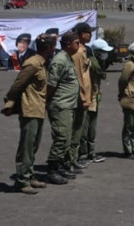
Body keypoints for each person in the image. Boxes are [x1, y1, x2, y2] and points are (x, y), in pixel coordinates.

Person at [4, 33, 56, 194]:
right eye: (53, 46)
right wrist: (10, 103)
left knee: (33, 146)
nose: (55, 49)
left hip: (39, 109)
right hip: (30, 109)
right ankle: (22, 180)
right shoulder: (33, 64)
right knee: (26, 147)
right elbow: (17, 85)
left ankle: (30, 175)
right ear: (47, 48)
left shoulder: (42, 63)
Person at [45, 31, 81, 183]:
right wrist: (46, 103)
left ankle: (60, 166)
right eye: (76, 43)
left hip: (68, 104)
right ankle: (52, 169)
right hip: (60, 105)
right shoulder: (60, 61)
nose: (78, 46)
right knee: (61, 137)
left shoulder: (67, 58)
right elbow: (51, 85)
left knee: (66, 138)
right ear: (68, 44)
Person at [81, 37, 112, 163]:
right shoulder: (89, 64)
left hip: (95, 98)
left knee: (92, 129)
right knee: (84, 128)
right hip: (86, 99)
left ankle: (91, 152)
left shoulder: (99, 65)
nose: (105, 54)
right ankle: (82, 154)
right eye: (103, 51)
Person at [68, 22, 94, 172]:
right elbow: (78, 76)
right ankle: (70, 160)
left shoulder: (83, 50)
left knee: (79, 129)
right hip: (79, 96)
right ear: (81, 34)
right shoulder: (78, 53)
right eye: (87, 32)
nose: (89, 35)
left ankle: (74, 158)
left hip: (86, 94)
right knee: (76, 129)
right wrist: (83, 96)